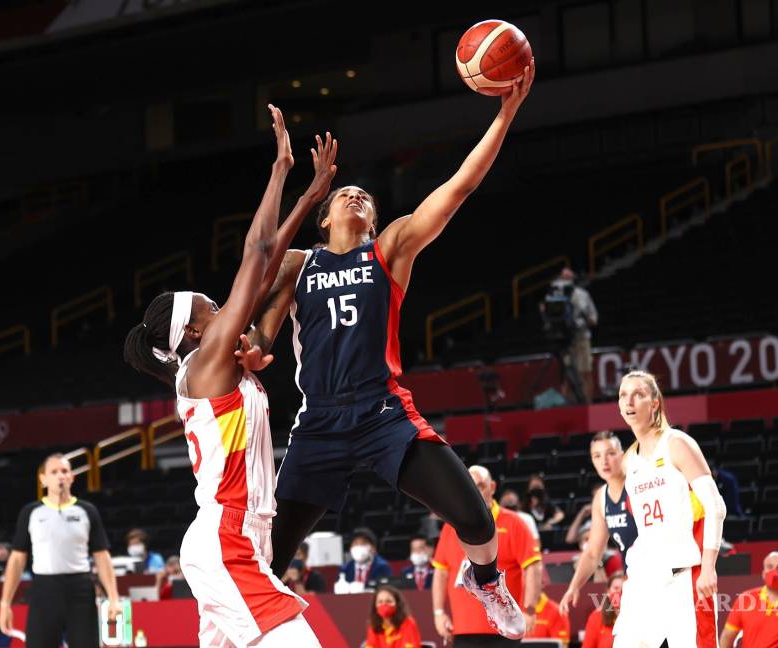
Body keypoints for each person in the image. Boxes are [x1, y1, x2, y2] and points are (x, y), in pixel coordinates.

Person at [245, 61, 535, 639]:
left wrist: (504, 115)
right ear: (325, 216)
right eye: (345, 194)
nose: (354, 195)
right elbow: (260, 324)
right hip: (320, 424)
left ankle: (486, 582)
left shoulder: (390, 250)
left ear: (373, 219)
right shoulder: (300, 265)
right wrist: (252, 351)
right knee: (267, 563)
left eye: (364, 196)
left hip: (382, 414)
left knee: (476, 521)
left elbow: (457, 190)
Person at [123, 104, 334, 647]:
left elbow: (278, 278)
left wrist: (310, 217)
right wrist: (285, 175)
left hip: (243, 540)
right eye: (210, 308)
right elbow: (259, 253)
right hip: (228, 539)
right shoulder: (205, 363)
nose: (222, 310)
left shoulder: (221, 364)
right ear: (195, 334)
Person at [611, 370, 726, 648]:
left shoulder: (677, 444)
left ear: (654, 403)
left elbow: (715, 507)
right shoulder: (628, 461)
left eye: (639, 394)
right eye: (624, 395)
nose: (630, 401)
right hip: (641, 580)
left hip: (682, 578)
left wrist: (709, 566)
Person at [0, 453, 120, 648]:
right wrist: (5, 603)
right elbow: (16, 560)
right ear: (43, 479)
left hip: (80, 590)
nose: (60, 476)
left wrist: (114, 598)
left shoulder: (87, 511)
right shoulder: (30, 512)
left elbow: (102, 556)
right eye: (54, 472)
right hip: (44, 590)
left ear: (72, 477)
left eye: (64, 471)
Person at [432, 465, 543, 647]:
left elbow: (533, 567)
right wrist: (438, 612)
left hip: (505, 630)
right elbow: (441, 573)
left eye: (480, 486)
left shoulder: (514, 523)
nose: (474, 492)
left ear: (492, 487)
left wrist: (529, 609)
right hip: (463, 630)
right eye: (469, 486)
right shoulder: (450, 526)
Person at [560, 431, 637, 615]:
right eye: (597, 456)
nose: (604, 461)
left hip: (663, 578)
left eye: (610, 453)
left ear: (622, 454)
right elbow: (593, 553)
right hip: (635, 580)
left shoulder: (638, 485)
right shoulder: (601, 497)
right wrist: (574, 587)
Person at [540, 267, 599, 402]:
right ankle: (567, 410)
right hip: (563, 340)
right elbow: (549, 318)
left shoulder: (583, 295)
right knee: (566, 375)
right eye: (563, 277)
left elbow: (594, 319)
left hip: (581, 338)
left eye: (568, 277)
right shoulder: (552, 296)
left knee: (585, 373)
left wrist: (582, 320)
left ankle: (588, 406)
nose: (565, 280)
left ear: (573, 280)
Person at [581, 572, 624, 648]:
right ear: (608, 592)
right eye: (616, 588)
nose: (620, 592)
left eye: (624, 589)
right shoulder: (597, 617)